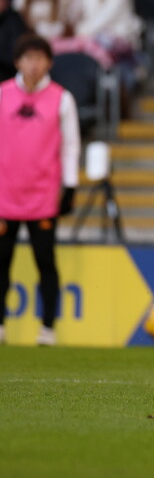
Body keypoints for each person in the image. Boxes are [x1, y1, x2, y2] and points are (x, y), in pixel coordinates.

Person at [0, 35, 80, 346]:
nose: (34, 64)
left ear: (49, 62)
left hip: (43, 194)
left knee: (45, 261)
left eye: (40, 58)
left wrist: (70, 186)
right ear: (17, 61)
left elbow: (71, 145)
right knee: (2, 261)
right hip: (5, 194)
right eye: (28, 57)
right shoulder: (2, 94)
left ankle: (48, 327)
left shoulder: (62, 98)